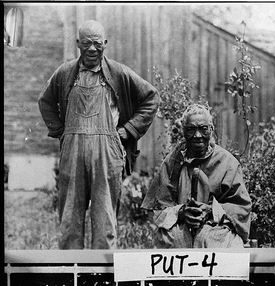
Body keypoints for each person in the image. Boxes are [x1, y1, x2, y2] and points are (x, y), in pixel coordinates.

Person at [38, 20, 159, 249]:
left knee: (104, 216)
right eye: (86, 43)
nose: (92, 49)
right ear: (78, 44)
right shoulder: (65, 73)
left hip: (107, 151)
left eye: (96, 43)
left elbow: (150, 98)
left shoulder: (119, 72)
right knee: (70, 216)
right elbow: (45, 101)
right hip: (73, 151)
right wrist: (61, 132)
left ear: (105, 44)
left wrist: (127, 131)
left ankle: (100, 274)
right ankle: (71, 271)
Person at [141, 104, 251, 248]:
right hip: (180, 226)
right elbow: (159, 207)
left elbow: (240, 207)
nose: (197, 135)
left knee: (207, 239)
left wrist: (210, 211)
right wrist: (181, 212)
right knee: (171, 239)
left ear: (211, 129)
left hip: (216, 227)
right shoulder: (173, 162)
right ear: (183, 131)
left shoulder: (228, 162)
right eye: (191, 129)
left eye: (203, 128)